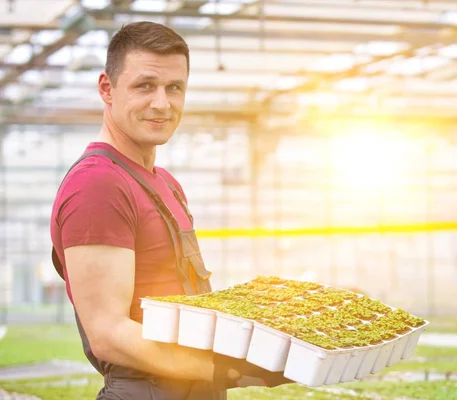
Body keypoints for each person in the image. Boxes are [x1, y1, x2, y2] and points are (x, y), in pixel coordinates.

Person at [50, 21, 288, 400]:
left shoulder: (165, 183)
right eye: (144, 85)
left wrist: (263, 335)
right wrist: (227, 370)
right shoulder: (98, 183)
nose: (162, 103)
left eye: (174, 88)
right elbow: (109, 334)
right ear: (106, 89)